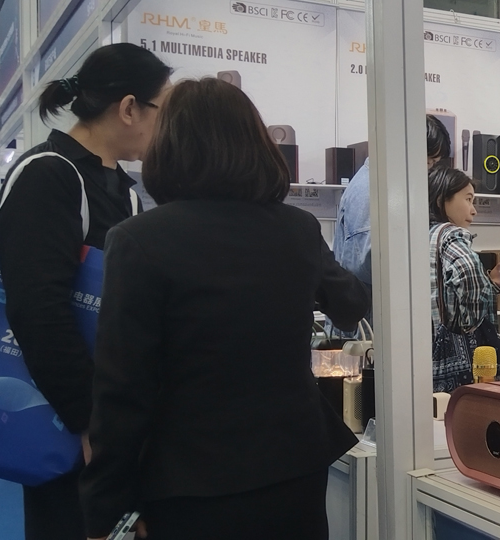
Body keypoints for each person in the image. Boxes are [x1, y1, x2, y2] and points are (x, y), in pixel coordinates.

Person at [78, 78, 370, 539]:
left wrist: (105, 511)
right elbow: (351, 302)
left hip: (191, 480)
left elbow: (123, 389)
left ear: (170, 146)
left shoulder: (139, 240)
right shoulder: (297, 228)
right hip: (294, 466)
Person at [0, 43, 171, 540]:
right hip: (67, 417)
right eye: (162, 110)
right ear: (129, 108)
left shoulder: (125, 191)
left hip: (111, 416)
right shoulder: (48, 174)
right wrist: (91, 423)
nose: (166, 127)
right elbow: (38, 312)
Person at [428, 166, 500, 392]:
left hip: (429, 350)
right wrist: (470, 321)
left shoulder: (424, 234)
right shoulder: (452, 234)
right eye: (468, 199)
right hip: (461, 357)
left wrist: (490, 282)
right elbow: (467, 270)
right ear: (442, 200)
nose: (474, 210)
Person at [335, 115, 452, 288]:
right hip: (370, 301)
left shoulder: (386, 186)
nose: (429, 169)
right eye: (429, 161)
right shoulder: (371, 189)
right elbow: (366, 263)